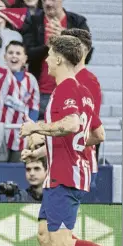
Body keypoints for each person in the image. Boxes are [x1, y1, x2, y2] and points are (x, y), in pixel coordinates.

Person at [20, 35, 121, 246]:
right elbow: (97, 133)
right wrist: (45, 151)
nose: (47, 60)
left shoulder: (66, 89)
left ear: (60, 59)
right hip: (72, 171)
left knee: (62, 242)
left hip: (64, 175)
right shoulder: (83, 91)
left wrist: (37, 128)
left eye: (50, 55)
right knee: (49, 236)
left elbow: (72, 124)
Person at [0, 17, 39, 162]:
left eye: (18, 53)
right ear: (4, 57)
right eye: (10, 53)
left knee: (14, 177)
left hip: (19, 139)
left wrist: (30, 126)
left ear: (25, 59)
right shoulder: (0, 73)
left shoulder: (32, 80)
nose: (14, 56)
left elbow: (33, 108)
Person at [61, 28, 101, 173]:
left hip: (79, 164)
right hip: (66, 161)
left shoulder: (88, 82)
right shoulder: (66, 80)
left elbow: (88, 126)